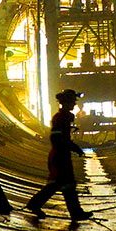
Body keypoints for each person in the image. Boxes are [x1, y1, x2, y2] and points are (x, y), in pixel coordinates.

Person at [25, 89, 93, 221]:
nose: (74, 104)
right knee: (60, 184)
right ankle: (36, 205)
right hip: (60, 156)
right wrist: (72, 147)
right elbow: (56, 138)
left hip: (61, 154)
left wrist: (71, 148)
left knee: (63, 184)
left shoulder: (63, 118)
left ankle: (75, 212)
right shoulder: (60, 118)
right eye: (73, 102)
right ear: (66, 103)